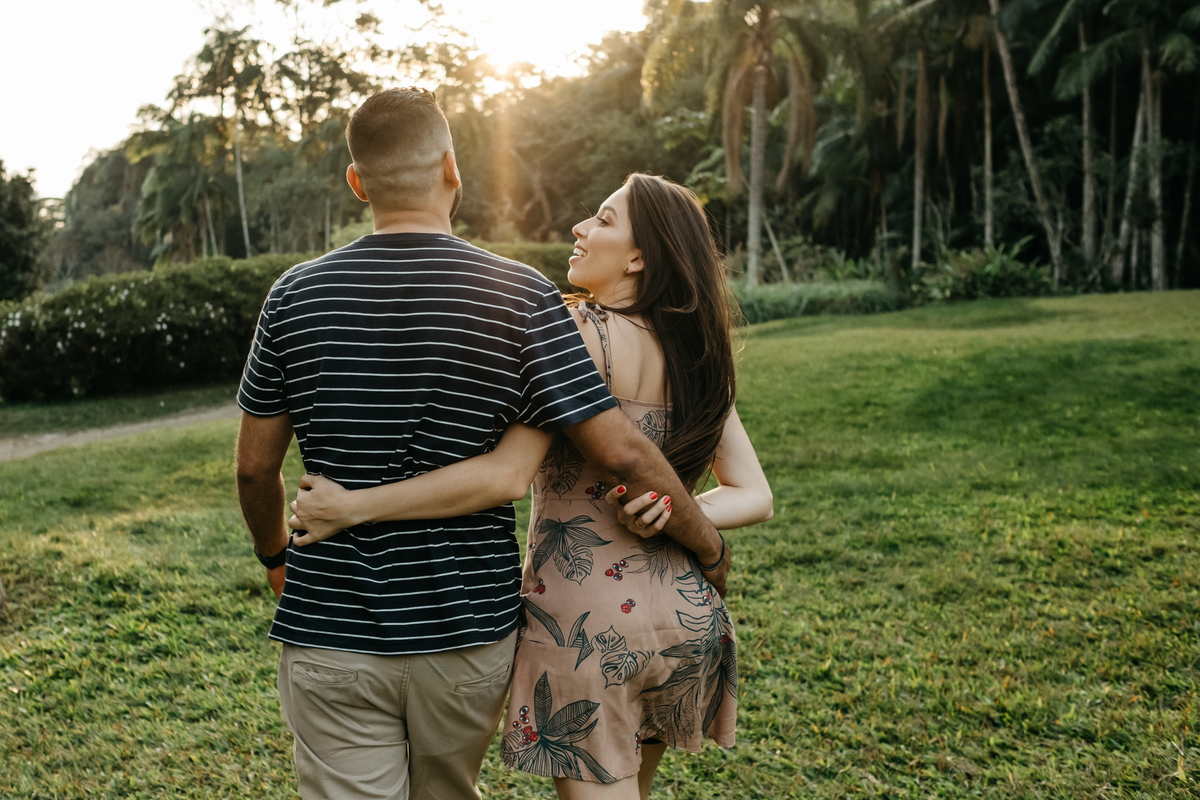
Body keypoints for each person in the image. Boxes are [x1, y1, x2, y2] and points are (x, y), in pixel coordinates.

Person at [234, 88, 729, 800]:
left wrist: (275, 555)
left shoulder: (293, 295)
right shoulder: (520, 296)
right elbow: (621, 453)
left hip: (331, 622)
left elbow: (255, 470)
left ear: (356, 182)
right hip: (467, 628)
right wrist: (709, 548)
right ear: (451, 169)